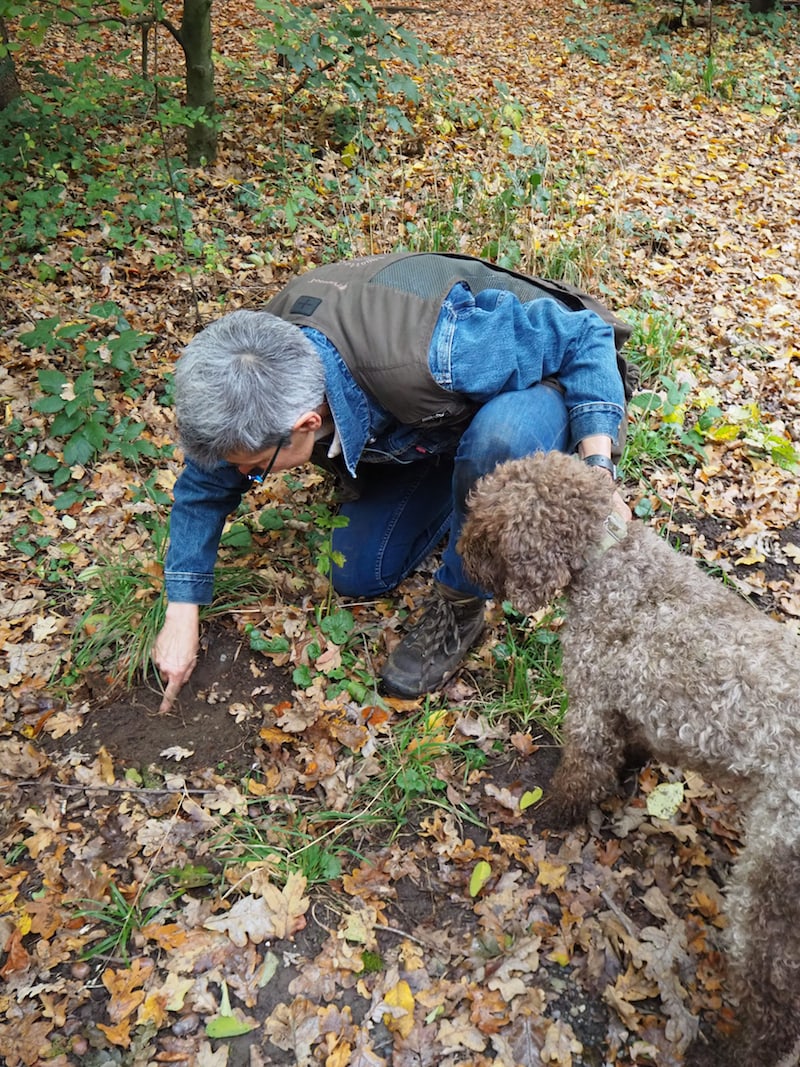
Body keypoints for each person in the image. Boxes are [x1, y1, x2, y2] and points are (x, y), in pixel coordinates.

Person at [152, 252, 631, 712]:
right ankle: (463, 471)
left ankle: (460, 606)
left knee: (499, 440)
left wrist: (596, 476)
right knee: (359, 569)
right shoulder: (249, 373)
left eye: (255, 467)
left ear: (305, 425)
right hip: (431, 421)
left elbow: (586, 337)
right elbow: (205, 485)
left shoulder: (440, 352)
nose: (245, 476)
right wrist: (182, 610)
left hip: (543, 374)